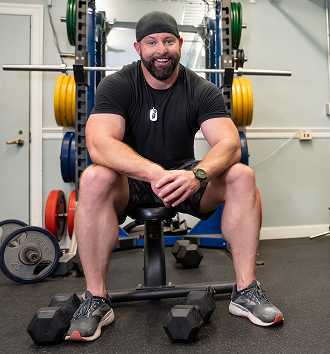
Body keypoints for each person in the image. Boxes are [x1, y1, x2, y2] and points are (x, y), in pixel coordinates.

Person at [65, 11, 284, 342]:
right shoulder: (118, 84)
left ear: (179, 44)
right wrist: (153, 172)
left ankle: (245, 292)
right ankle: (96, 299)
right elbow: (99, 144)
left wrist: (197, 174)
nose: (161, 50)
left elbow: (229, 144)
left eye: (168, 41)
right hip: (133, 181)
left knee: (241, 174)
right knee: (95, 177)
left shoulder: (201, 89)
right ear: (139, 47)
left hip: (186, 178)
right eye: (152, 42)